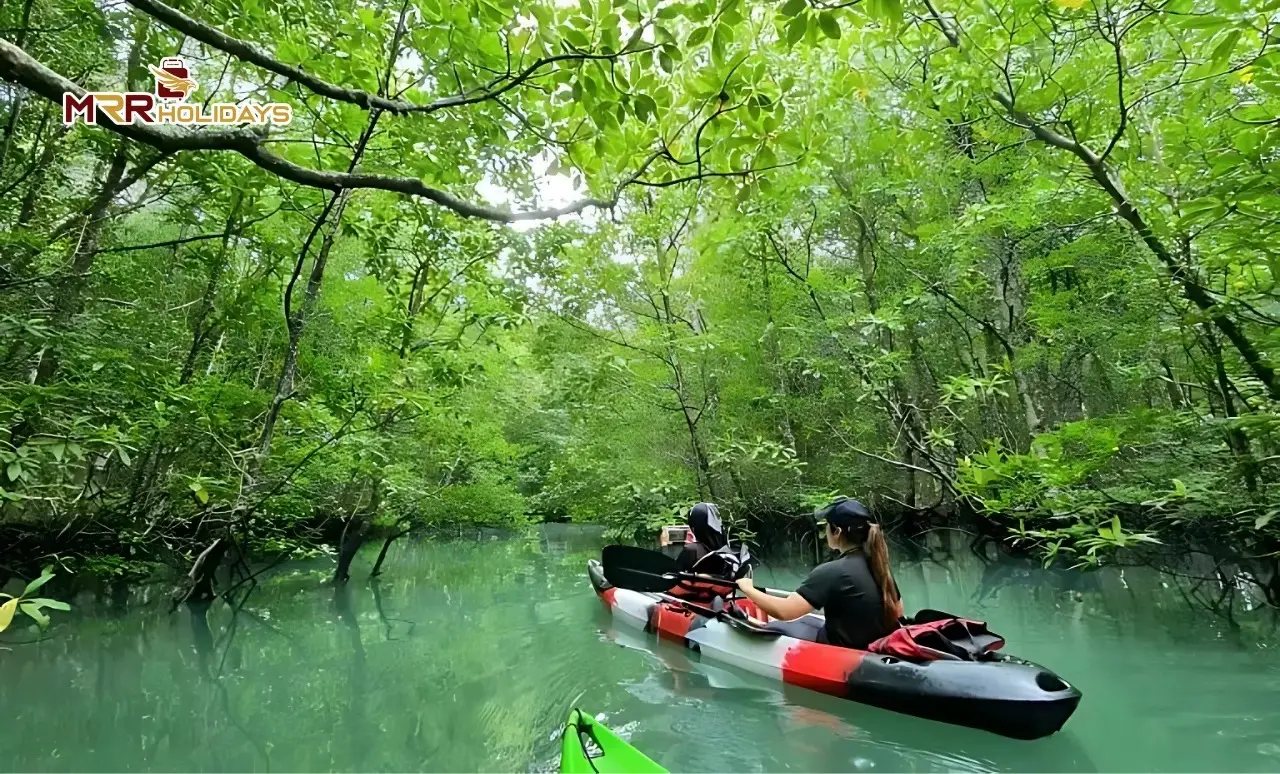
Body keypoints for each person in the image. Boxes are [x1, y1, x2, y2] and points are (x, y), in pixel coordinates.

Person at [735, 498, 903, 649]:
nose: (824, 533)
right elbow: (898, 612)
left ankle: (754, 626)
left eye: (826, 527)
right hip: (872, 646)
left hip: (842, 652)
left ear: (837, 531)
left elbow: (784, 612)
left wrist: (748, 589)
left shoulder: (833, 571)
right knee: (805, 621)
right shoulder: (880, 567)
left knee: (777, 625)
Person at [675, 502, 729, 574]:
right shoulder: (727, 548)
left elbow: (673, 573)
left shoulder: (692, 550)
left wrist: (664, 545)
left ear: (694, 527)